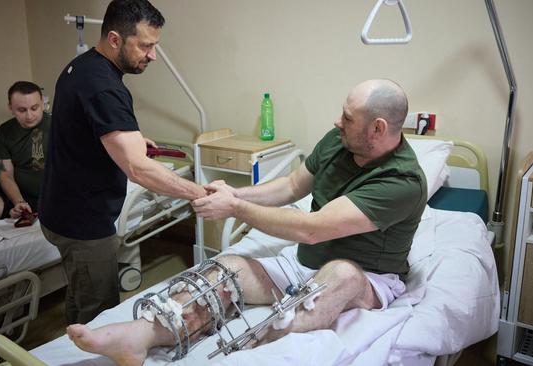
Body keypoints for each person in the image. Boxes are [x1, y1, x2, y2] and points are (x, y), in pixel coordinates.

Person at [62, 79, 428, 365]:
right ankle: (142, 335)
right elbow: (289, 186)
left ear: (378, 128)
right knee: (228, 268)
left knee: (342, 275)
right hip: (306, 262)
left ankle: (256, 347)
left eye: (348, 117)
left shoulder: (401, 182)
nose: (338, 121)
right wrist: (234, 195)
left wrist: (235, 210)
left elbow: (312, 227)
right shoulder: (339, 141)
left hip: (368, 279)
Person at [38, 0, 206, 325]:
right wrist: (199, 193)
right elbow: (138, 169)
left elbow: (82, 128)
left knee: (79, 293)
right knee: (99, 313)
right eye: (145, 46)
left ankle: (71, 346)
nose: (153, 56)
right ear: (115, 39)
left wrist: (127, 139)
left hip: (58, 209)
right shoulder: (104, 87)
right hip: (83, 223)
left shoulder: (81, 67)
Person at [0, 81, 50, 221]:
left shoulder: (58, 125)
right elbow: (6, 174)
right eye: (22, 110)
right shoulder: (4, 132)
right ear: (11, 108)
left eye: (34, 108)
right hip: (19, 193)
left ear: (42, 104)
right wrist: (19, 203)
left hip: (52, 194)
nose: (29, 115)